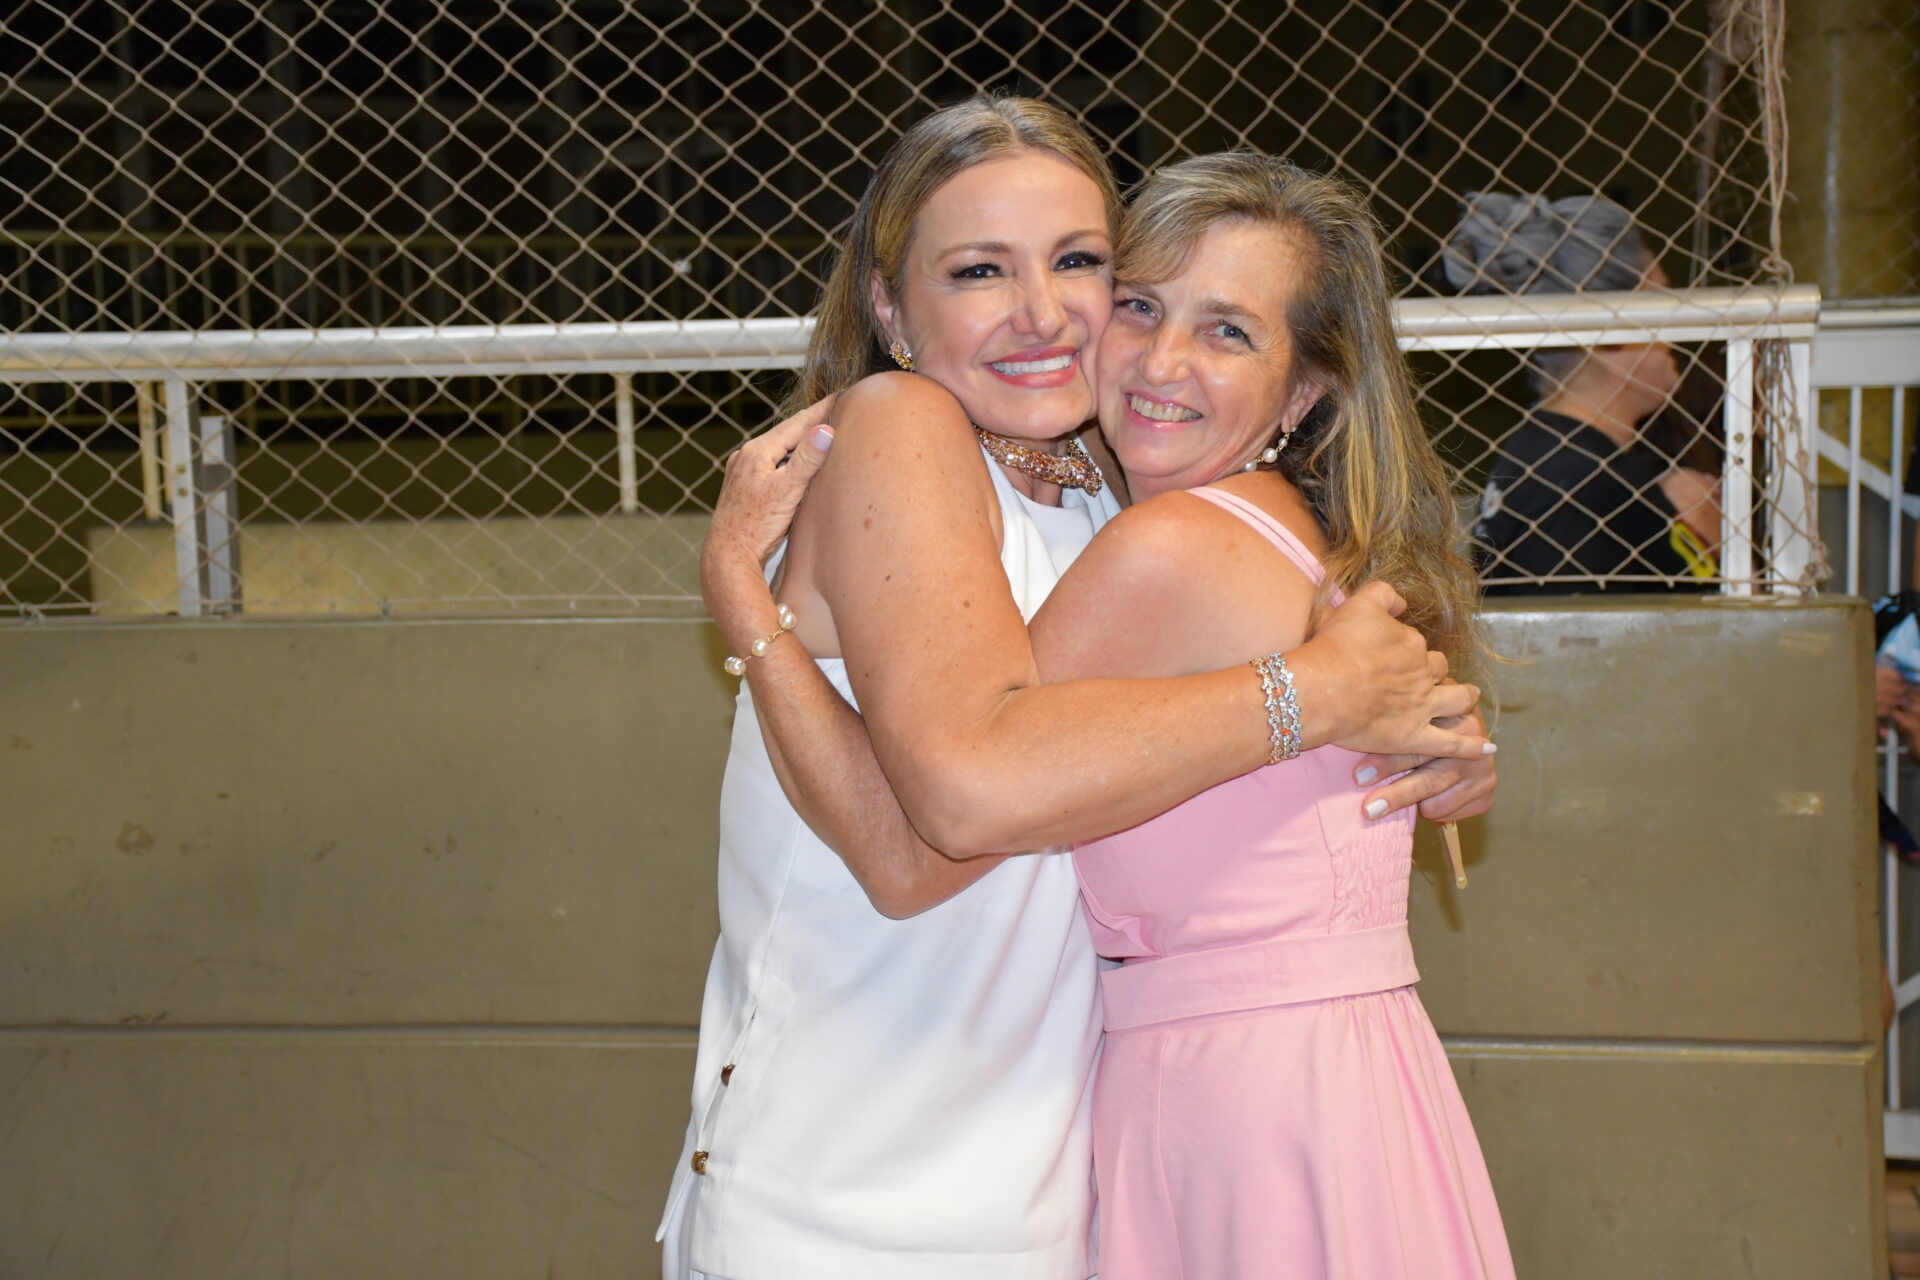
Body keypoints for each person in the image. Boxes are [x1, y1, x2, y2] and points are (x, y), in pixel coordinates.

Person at [663, 96, 1491, 1280]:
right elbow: (929, 838)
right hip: (851, 1194)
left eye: (1079, 263)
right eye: (979, 270)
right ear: (891, 307)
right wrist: (743, 603)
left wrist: (1417, 726)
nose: (1044, 313)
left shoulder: (1113, 482)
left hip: (1042, 1191)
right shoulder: (901, 425)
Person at [1444, 192, 1721, 593]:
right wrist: (1714, 546)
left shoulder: (1566, 456)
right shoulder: (1575, 485)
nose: (1675, 332)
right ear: (1611, 333)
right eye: (1659, 306)